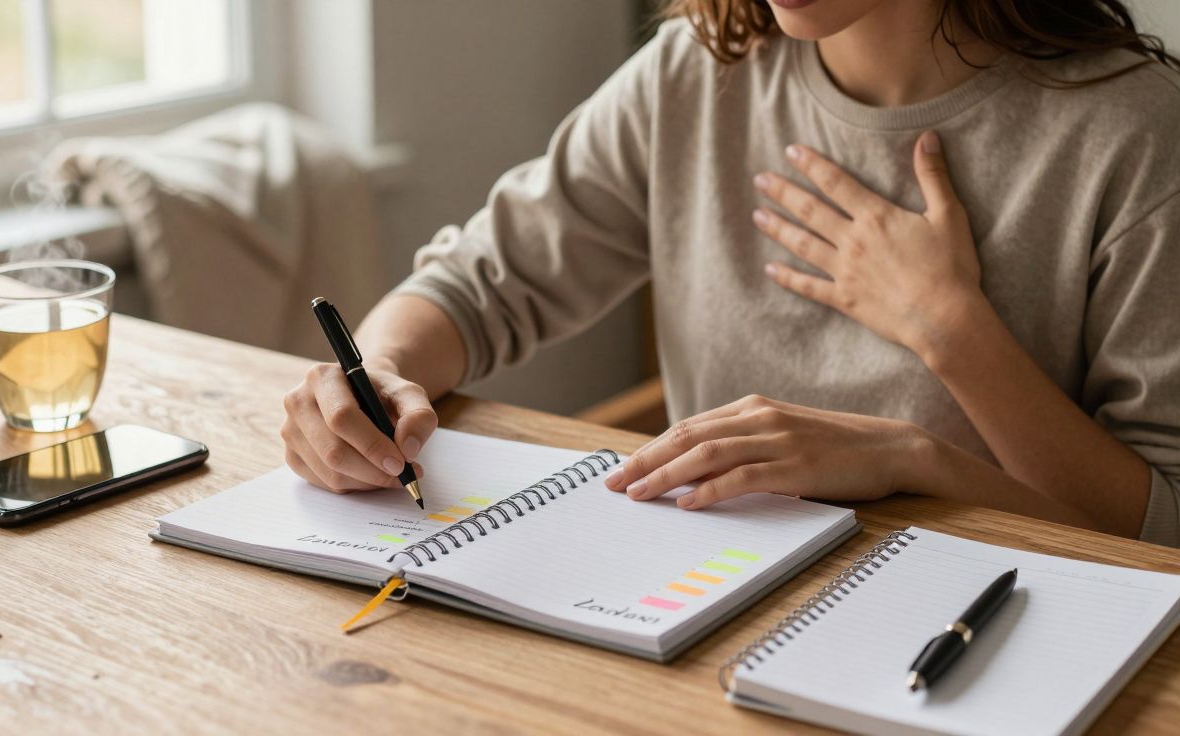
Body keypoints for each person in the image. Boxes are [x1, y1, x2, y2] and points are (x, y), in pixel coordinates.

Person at [281, 0, 1180, 545]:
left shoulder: (1135, 136)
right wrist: (379, 374)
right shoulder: (694, 76)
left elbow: (1160, 530)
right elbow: (478, 283)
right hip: (703, 618)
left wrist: (948, 345)